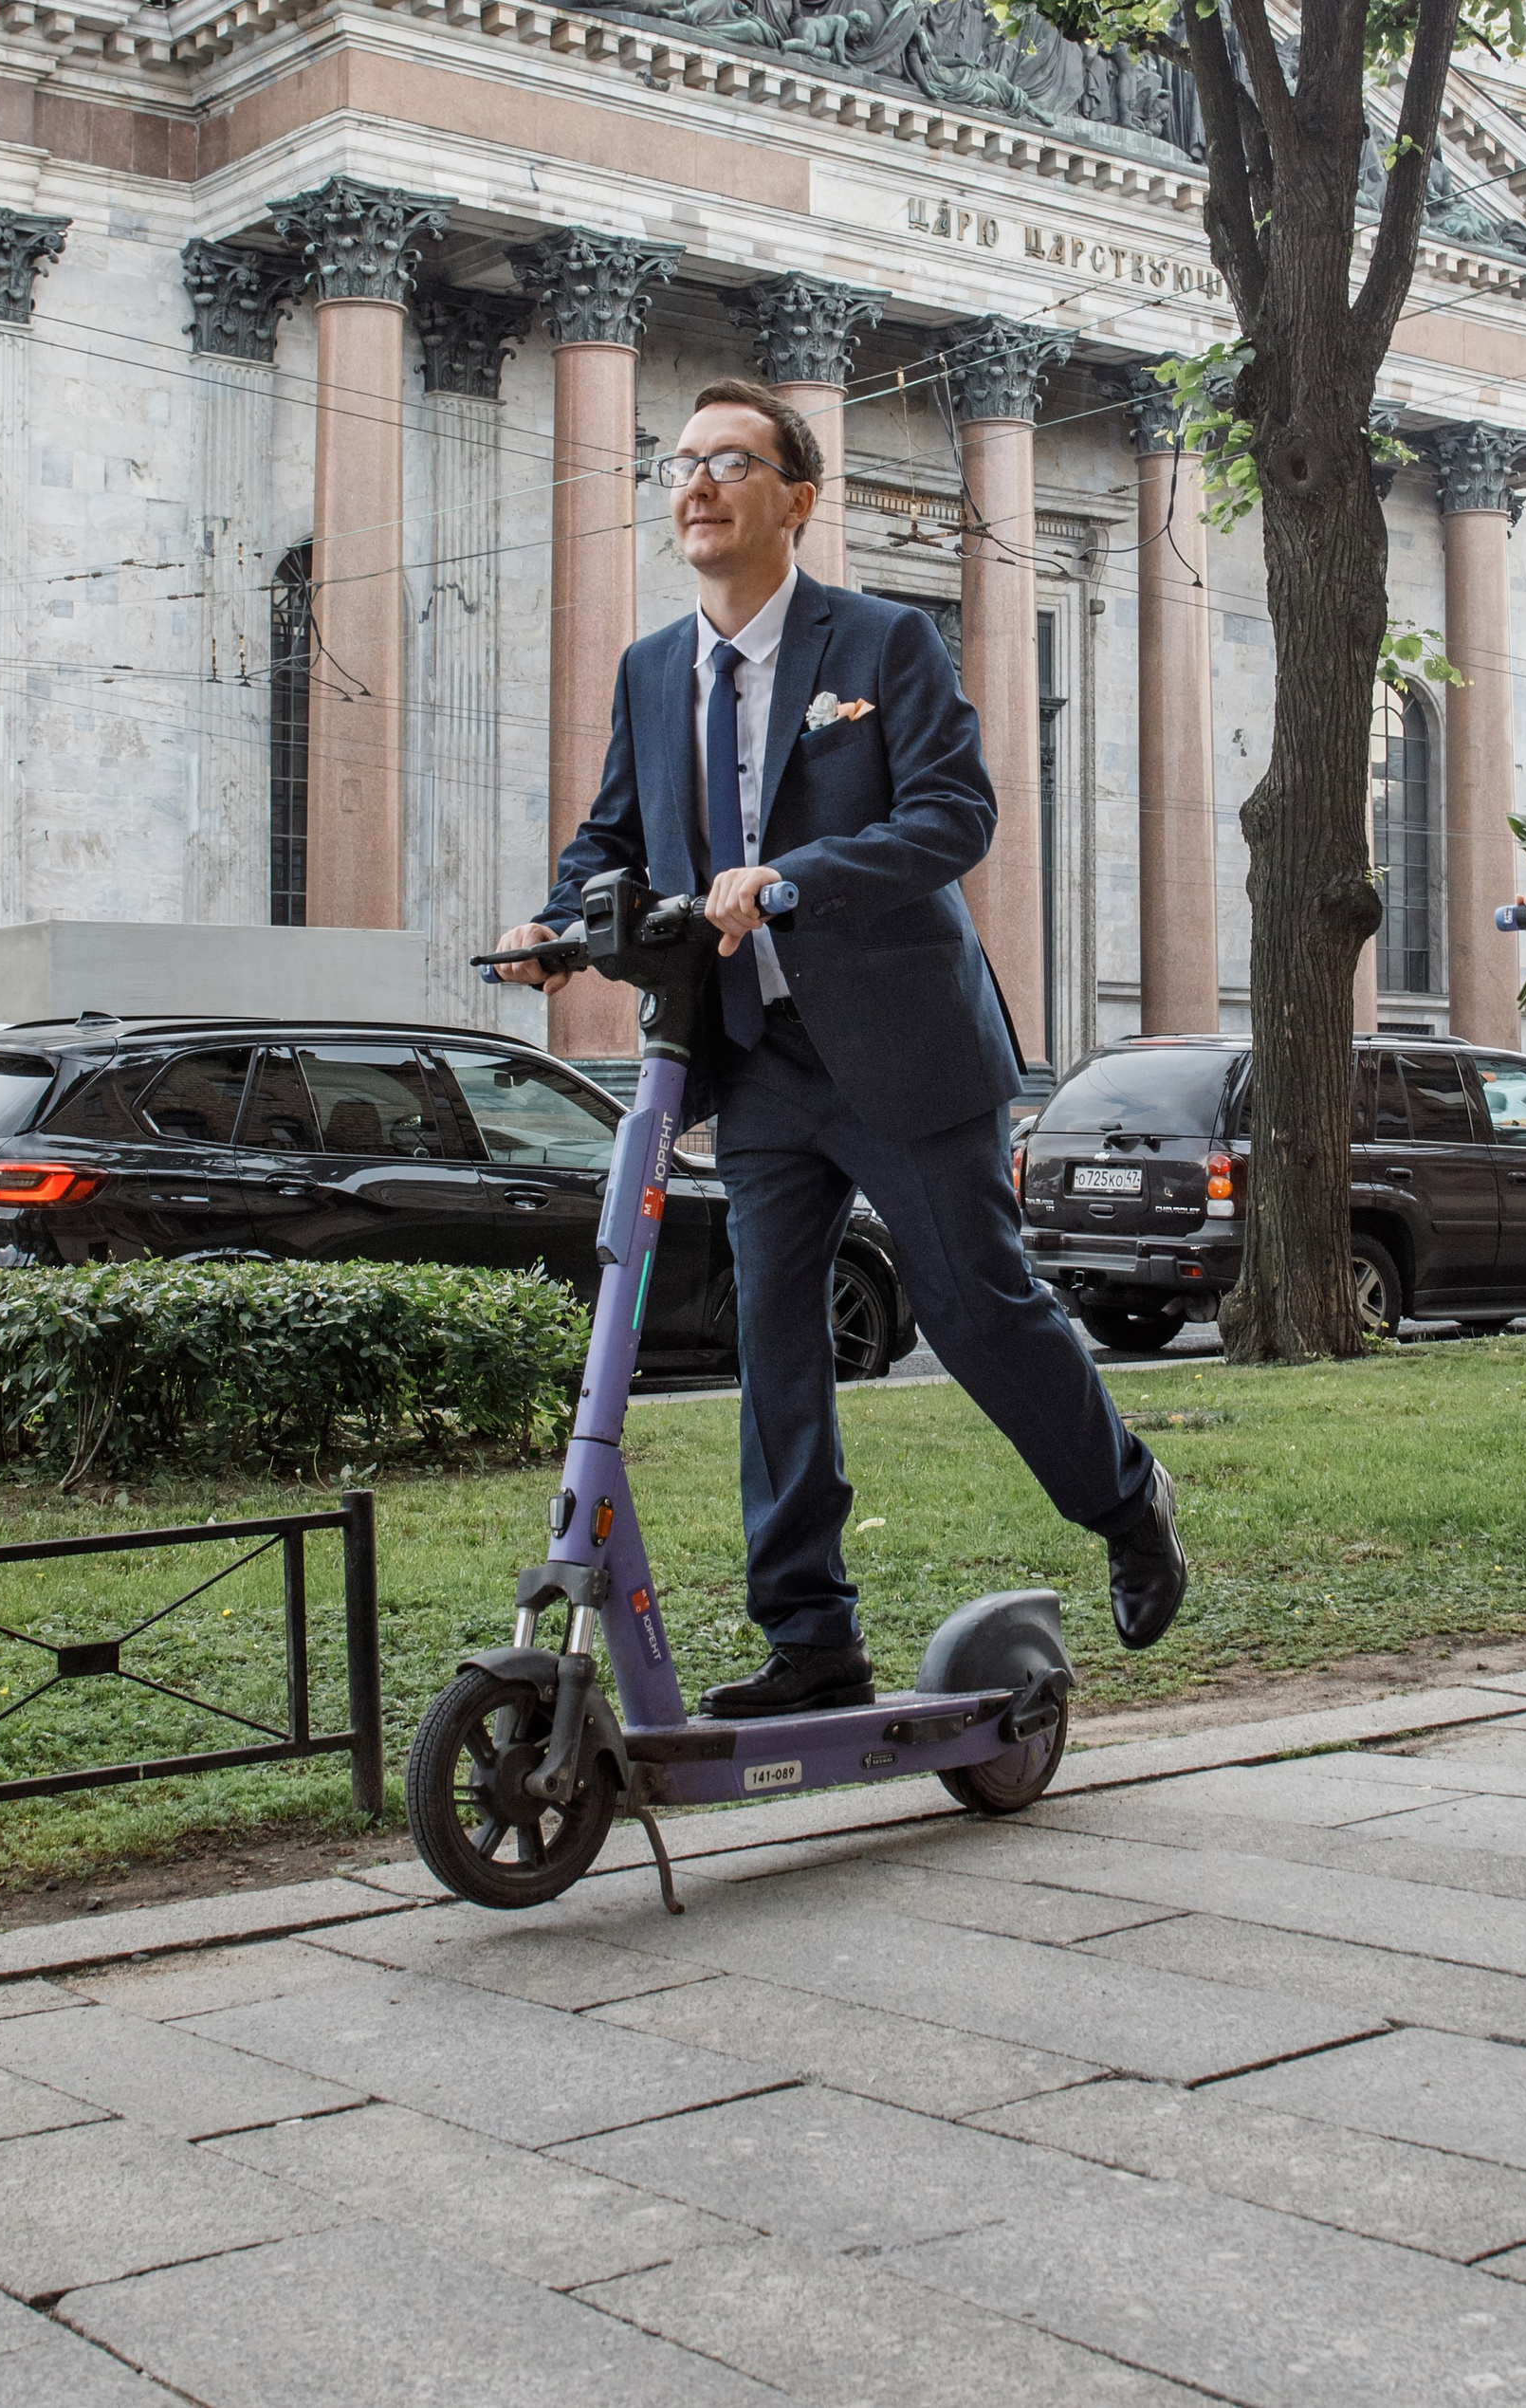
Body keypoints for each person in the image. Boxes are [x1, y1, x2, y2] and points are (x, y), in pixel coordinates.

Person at [497, 376, 1186, 1715]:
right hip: (752, 1054)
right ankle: (812, 1636)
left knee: (980, 1311)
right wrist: (561, 913)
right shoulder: (651, 668)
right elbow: (613, 837)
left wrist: (791, 873)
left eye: (728, 462)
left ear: (795, 500)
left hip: (907, 1048)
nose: (694, 483)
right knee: (778, 1345)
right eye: (679, 463)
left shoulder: (881, 647)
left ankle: (1126, 1495)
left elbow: (955, 816)